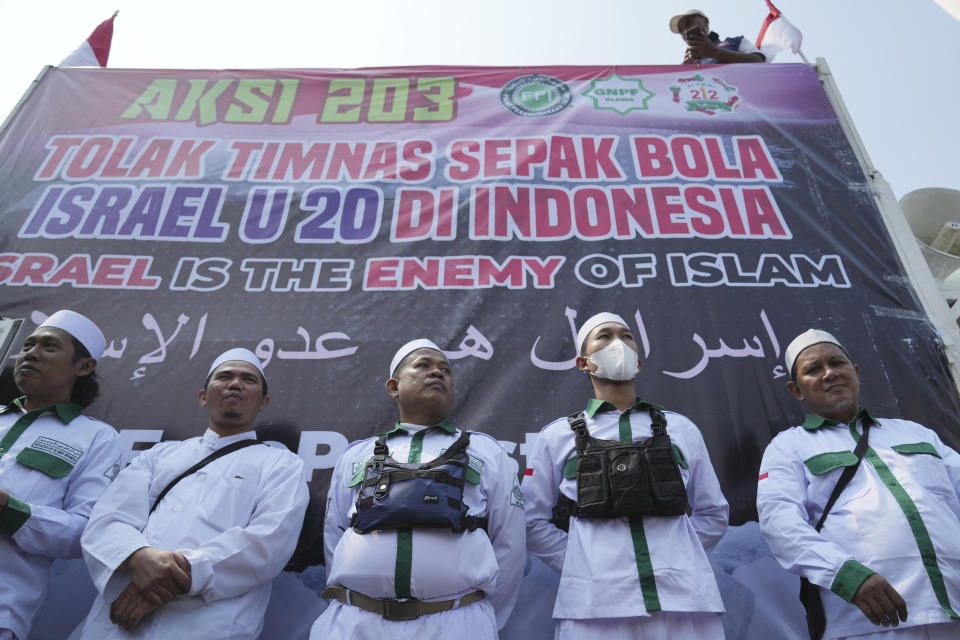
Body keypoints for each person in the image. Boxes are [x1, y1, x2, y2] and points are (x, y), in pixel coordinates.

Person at [523, 312, 729, 638]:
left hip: (686, 606)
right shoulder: (556, 436)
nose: (618, 343)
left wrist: (680, 560)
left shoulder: (681, 428)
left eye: (627, 336)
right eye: (604, 336)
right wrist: (582, 565)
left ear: (639, 363)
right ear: (583, 363)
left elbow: (714, 512)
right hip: (594, 610)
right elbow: (530, 520)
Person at [78, 347, 308, 639]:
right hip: (117, 623)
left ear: (263, 402)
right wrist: (138, 557)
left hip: (209, 624)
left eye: (248, 379)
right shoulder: (159, 455)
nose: (235, 383)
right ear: (203, 397)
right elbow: (108, 519)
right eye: (224, 376)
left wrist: (177, 576)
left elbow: (268, 542)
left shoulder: (282, 464)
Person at [312, 338, 525, 639]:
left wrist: (480, 619)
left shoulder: (487, 451)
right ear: (394, 386)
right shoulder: (356, 455)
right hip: (356, 623)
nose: (437, 373)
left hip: (455, 623)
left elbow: (510, 546)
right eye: (423, 365)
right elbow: (336, 536)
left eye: (445, 370)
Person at [758, 329, 960, 639]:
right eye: (813, 369)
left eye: (837, 363)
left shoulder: (916, 434)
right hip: (868, 623)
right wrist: (846, 575)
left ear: (855, 372)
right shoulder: (789, 446)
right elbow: (780, 524)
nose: (829, 374)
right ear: (796, 390)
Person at [0, 310, 121, 640]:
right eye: (27, 345)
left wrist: (10, 510)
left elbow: (84, 532)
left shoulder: (96, 438)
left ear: (84, 367)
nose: (31, 354)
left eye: (49, 346)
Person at [670, 9, 766, 64]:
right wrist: (683, 69)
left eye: (688, 23)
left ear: (705, 21)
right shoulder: (689, 60)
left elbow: (758, 61)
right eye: (681, 30)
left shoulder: (736, 41)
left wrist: (714, 52)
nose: (685, 30)